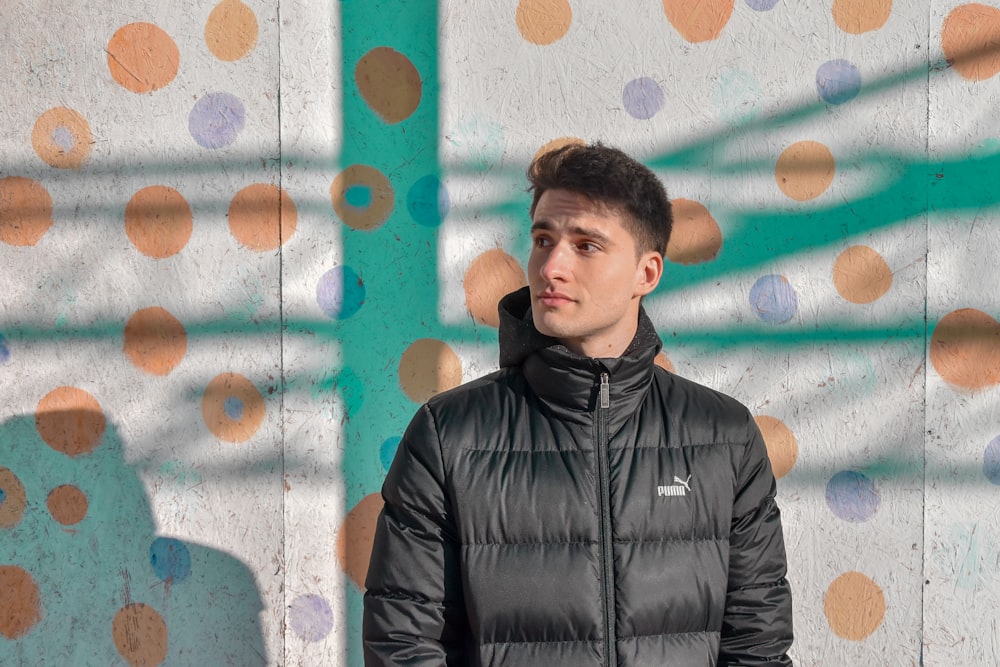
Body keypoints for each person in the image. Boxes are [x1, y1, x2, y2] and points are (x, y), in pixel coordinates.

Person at [363, 142, 793, 666]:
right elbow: (405, 646)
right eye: (543, 239)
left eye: (586, 245)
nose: (551, 266)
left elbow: (757, 645)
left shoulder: (724, 437)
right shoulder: (449, 435)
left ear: (647, 273)